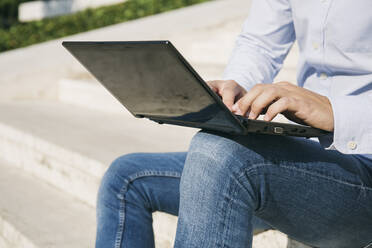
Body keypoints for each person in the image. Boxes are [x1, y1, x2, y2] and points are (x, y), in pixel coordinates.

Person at [95, 0, 372, 247]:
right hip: (306, 159)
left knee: (220, 155)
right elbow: (260, 43)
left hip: (364, 169)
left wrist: (336, 112)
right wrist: (236, 87)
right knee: (127, 177)